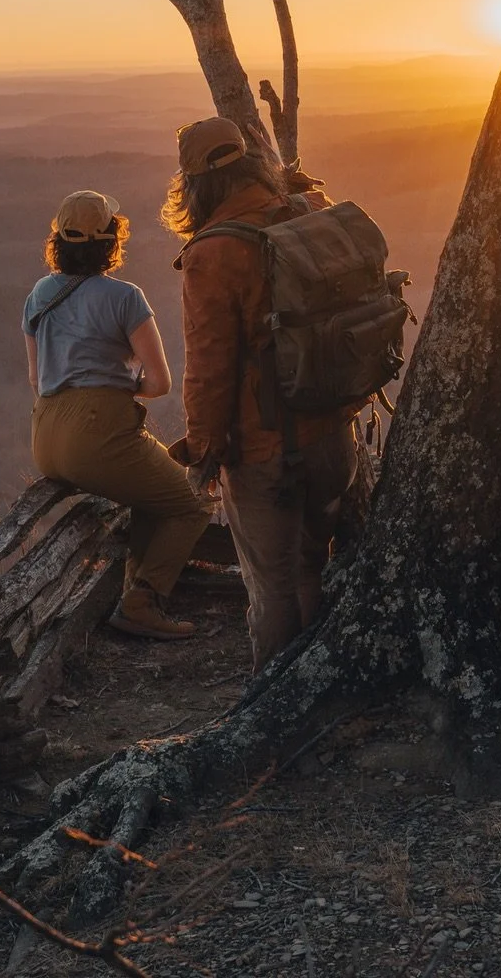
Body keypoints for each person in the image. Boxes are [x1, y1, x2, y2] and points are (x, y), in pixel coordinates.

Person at [164, 119, 359, 669]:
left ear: (194, 184)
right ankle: (315, 689)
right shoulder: (309, 210)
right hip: (334, 439)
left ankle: (271, 715)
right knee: (310, 568)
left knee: (271, 589)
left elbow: (208, 369)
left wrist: (201, 457)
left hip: (266, 451)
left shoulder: (213, 254)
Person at [23, 187, 213, 641]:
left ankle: (134, 592)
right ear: (111, 240)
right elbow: (159, 383)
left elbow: (36, 377)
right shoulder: (125, 297)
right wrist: (122, 385)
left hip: (45, 435)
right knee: (192, 505)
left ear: (60, 240)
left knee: (156, 493)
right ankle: (141, 602)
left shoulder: (39, 294)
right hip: (98, 432)